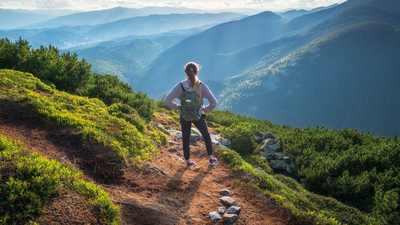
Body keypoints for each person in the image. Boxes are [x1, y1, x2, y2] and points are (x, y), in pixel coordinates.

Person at [164, 62, 218, 168]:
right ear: (197, 72)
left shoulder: (180, 86)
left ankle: (188, 161)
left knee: (186, 137)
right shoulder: (201, 86)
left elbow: (167, 100)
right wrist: (205, 109)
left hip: (184, 116)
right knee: (206, 135)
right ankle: (211, 158)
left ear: (185, 72)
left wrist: (179, 107)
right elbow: (214, 102)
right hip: (198, 115)